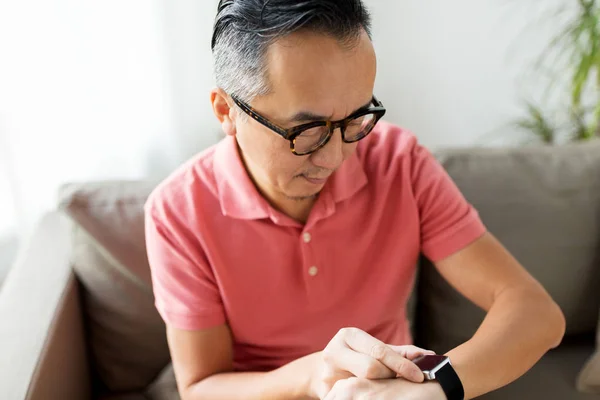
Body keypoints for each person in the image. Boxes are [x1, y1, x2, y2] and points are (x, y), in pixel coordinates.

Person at [144, 1, 566, 399]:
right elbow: (200, 387)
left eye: (355, 117)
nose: (336, 157)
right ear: (226, 111)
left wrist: (435, 388)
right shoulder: (177, 213)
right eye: (306, 130)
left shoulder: (401, 164)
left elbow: (535, 312)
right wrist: (315, 373)